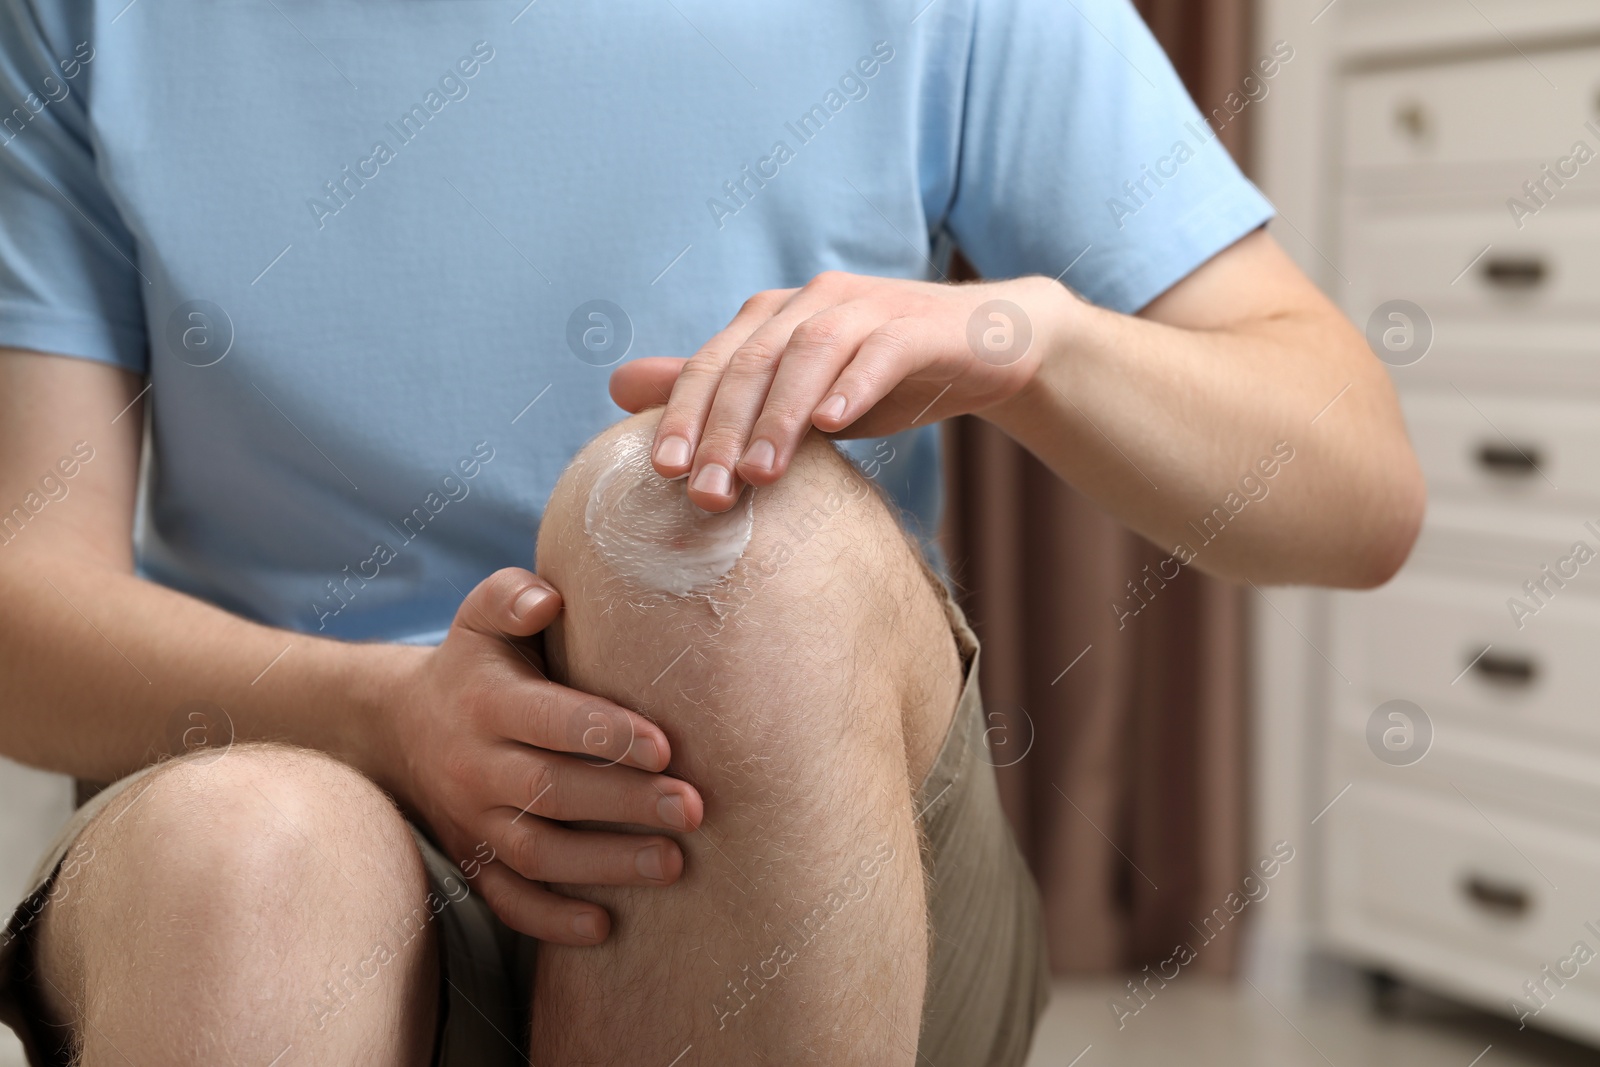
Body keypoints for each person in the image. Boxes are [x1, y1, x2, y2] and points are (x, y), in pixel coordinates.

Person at [0, 0, 1425, 1063]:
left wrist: (1028, 340)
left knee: (699, 536)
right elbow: (23, 611)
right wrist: (377, 712)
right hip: (287, 787)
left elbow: (1354, 487)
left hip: (809, 829)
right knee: (248, 852)